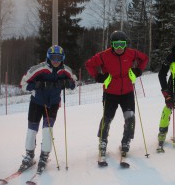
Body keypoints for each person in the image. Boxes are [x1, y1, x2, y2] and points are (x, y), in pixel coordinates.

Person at [85, 30, 148, 164]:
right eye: (116, 44)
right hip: (110, 93)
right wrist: (97, 76)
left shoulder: (131, 53)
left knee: (130, 118)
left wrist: (139, 70)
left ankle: (126, 142)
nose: (119, 48)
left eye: (122, 44)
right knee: (107, 119)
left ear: (125, 44)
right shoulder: (103, 56)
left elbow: (144, 58)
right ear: (112, 44)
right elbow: (89, 64)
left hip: (127, 93)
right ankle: (102, 142)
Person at [19, 45, 76, 173]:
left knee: (47, 130)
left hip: (53, 104)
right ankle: (29, 155)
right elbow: (23, 84)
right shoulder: (39, 69)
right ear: (48, 57)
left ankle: (44, 155)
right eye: (53, 58)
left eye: (59, 58)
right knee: (31, 130)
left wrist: (68, 83)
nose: (56, 61)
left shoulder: (65, 70)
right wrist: (36, 85)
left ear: (63, 58)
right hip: (37, 102)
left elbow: (74, 82)